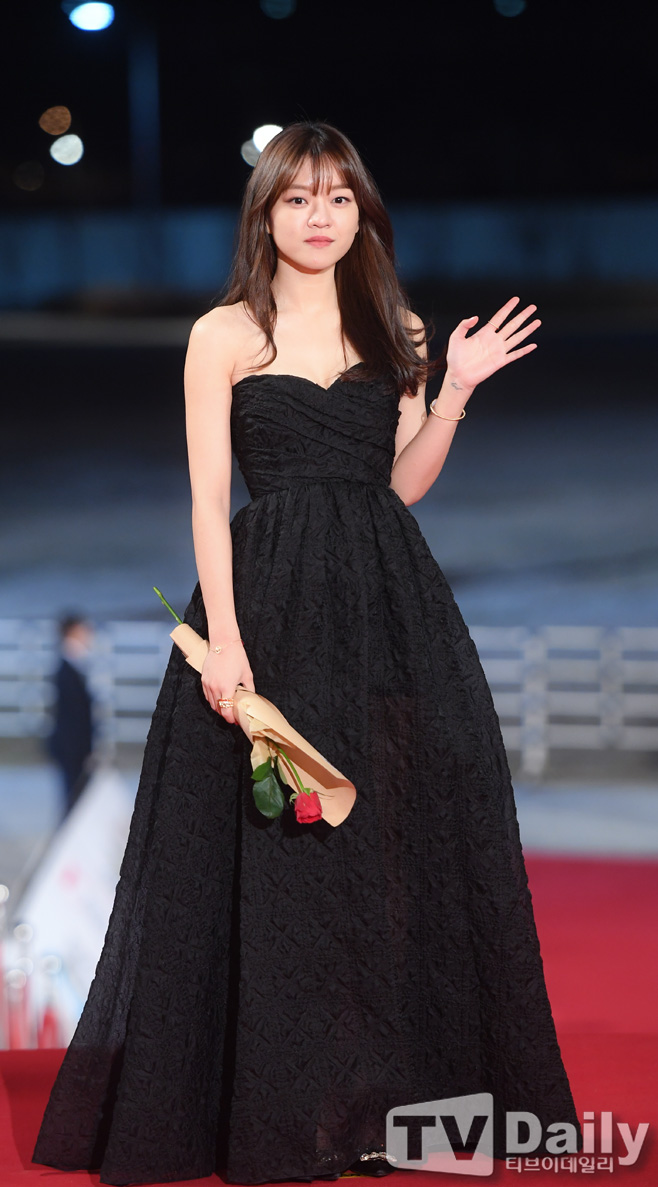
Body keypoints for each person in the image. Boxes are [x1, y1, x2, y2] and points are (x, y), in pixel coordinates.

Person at [32, 122, 583, 1185]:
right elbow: (207, 498)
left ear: (362, 214)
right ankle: (276, 1112)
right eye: (298, 197)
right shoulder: (223, 334)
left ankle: (378, 1104)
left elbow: (400, 485)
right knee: (275, 861)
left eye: (338, 197)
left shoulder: (398, 327)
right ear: (267, 212)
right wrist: (226, 643)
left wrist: (453, 390)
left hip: (388, 605)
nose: (319, 215)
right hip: (270, 605)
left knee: (385, 854)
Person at [46, 613, 94, 821]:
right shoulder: (67, 668)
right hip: (72, 746)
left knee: (76, 798)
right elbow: (72, 715)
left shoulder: (75, 665)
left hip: (73, 745)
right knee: (73, 799)